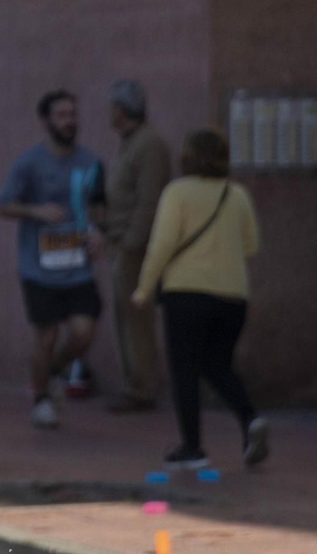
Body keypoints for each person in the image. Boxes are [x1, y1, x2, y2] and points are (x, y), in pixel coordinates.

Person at [133, 128, 267, 469]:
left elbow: (161, 245)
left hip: (186, 295)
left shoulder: (177, 193)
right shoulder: (237, 195)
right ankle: (250, 419)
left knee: (185, 371)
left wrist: (144, 289)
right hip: (233, 298)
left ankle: (192, 449)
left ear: (188, 158)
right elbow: (252, 245)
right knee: (218, 364)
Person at [0, 90, 105, 428]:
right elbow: (4, 205)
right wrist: (36, 210)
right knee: (45, 336)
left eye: (73, 114)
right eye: (61, 115)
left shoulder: (90, 162)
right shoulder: (30, 163)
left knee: (83, 332)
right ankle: (42, 398)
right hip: (39, 268)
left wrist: (100, 233)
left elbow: (101, 207)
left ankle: (54, 373)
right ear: (46, 121)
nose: (69, 121)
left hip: (78, 267)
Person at [102, 80, 171, 413]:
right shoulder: (128, 143)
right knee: (124, 318)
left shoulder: (149, 144)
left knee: (136, 319)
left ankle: (143, 387)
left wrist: (131, 245)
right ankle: (134, 382)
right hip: (119, 243)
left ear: (122, 109)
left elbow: (149, 201)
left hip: (135, 248)